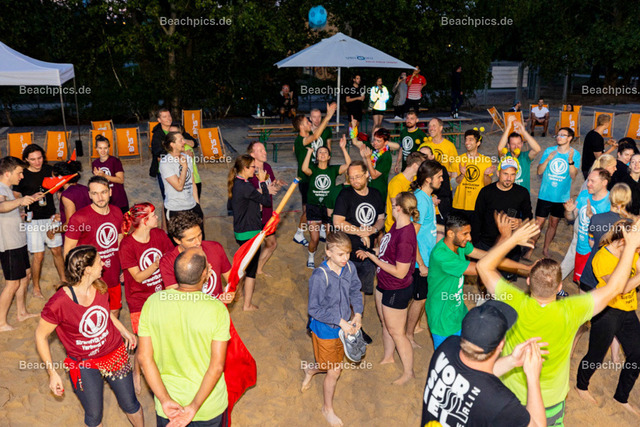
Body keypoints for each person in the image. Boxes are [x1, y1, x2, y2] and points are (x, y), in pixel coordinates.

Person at [476, 219, 640, 425]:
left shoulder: (513, 300)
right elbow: (615, 288)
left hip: (509, 394)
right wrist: (631, 247)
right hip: (550, 401)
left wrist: (512, 238)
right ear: (560, 286)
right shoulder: (573, 310)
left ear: (528, 281)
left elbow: (483, 266)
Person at [35, 245, 143, 427]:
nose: (104, 264)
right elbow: (40, 335)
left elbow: (104, 312)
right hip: (84, 362)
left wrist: (123, 330)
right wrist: (52, 373)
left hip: (114, 354)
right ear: (87, 270)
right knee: (94, 415)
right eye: (99, 262)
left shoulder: (99, 285)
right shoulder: (58, 303)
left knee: (130, 404)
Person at [138, 247, 230, 426]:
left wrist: (164, 400)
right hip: (208, 406)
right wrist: (194, 407)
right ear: (204, 274)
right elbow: (217, 366)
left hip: (169, 407)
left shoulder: (152, 303)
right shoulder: (217, 309)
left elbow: (143, 358)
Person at [421, 301, 546, 427]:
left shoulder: (447, 347)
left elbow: (475, 380)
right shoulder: (501, 402)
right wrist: (533, 377)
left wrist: (512, 360)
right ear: (501, 345)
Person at [426, 214, 529, 349]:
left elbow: (489, 257)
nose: (469, 238)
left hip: (458, 311)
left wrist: (527, 268)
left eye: (469, 233)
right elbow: (484, 267)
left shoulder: (460, 246)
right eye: (465, 234)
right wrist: (505, 239)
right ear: (450, 234)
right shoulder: (441, 256)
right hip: (442, 318)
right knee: (445, 355)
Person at [575, 219, 640, 416]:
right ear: (623, 241)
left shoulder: (633, 251)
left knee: (637, 354)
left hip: (627, 310)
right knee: (595, 355)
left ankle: (621, 397)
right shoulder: (602, 257)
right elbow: (621, 288)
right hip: (606, 311)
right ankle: (581, 386)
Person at [301, 231, 363, 427]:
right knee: (335, 370)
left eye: (348, 253)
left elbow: (355, 290)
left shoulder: (349, 267)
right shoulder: (320, 276)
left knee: (329, 364)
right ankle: (327, 409)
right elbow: (314, 309)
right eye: (340, 254)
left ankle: (310, 369)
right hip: (325, 329)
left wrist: (358, 313)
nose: (345, 258)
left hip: (343, 326)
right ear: (328, 252)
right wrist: (339, 321)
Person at [356, 192, 418, 385]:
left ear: (398, 208)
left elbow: (400, 272)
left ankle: (408, 372)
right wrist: (370, 251)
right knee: (386, 324)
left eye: (392, 203)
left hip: (396, 288)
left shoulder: (406, 235)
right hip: (384, 283)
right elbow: (386, 252)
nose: (390, 206)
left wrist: (373, 259)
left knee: (397, 331)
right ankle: (389, 357)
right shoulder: (396, 225)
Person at [119, 203, 173, 393]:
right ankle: (136, 372)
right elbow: (138, 277)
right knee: (143, 341)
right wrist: (156, 264)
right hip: (139, 300)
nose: (157, 217)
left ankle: (160, 370)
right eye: (153, 215)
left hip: (162, 294)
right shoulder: (127, 245)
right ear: (144, 221)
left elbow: (172, 256)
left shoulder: (159, 235)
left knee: (163, 336)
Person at [64, 176, 124, 316]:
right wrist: (74, 277)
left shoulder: (117, 212)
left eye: (103, 192)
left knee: (115, 310)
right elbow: (68, 251)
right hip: (90, 278)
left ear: (110, 192)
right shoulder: (78, 218)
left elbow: (120, 242)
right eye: (95, 193)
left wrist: (123, 268)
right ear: (89, 195)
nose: (100, 197)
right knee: (94, 314)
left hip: (113, 274)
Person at [14, 144, 64, 298]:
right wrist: (26, 203)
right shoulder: (22, 174)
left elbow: (59, 192)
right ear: (26, 160)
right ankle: (36, 287)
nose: (37, 162)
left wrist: (62, 212)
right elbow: (15, 196)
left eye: (40, 158)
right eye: (33, 159)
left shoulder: (50, 170)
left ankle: (64, 280)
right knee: (38, 256)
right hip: (32, 220)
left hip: (50, 217)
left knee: (57, 251)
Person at [333, 161, 385, 300]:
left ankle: (357, 314)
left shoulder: (376, 194)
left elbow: (381, 219)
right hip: (347, 254)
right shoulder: (345, 195)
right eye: (351, 178)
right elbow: (337, 222)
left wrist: (373, 230)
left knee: (360, 293)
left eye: (358, 176)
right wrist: (360, 232)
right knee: (344, 292)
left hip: (368, 254)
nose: (354, 181)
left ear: (367, 174)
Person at [228, 155, 273, 311]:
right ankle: (247, 305)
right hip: (250, 233)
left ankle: (238, 292)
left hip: (241, 231)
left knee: (245, 264)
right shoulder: (245, 186)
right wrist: (263, 182)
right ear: (245, 168)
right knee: (250, 271)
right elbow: (266, 201)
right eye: (253, 167)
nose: (255, 169)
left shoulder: (238, 183)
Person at [527, 127, 580, 259]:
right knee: (538, 224)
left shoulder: (575, 154)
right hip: (545, 195)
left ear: (570, 138)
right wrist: (547, 160)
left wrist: (570, 161)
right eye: (558, 135)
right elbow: (539, 171)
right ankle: (530, 249)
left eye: (563, 135)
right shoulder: (549, 151)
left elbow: (573, 175)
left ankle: (545, 249)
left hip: (561, 197)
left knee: (553, 223)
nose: (559, 137)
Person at [0, 156, 39, 331]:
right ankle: (1, 322)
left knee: (25, 276)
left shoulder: (7, 189)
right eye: (19, 173)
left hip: (18, 240)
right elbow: (1, 206)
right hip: (8, 243)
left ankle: (21, 313)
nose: (22, 176)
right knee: (12, 283)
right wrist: (20, 201)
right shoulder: (0, 188)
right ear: (7, 173)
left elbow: (8, 209)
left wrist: (20, 212)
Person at [292, 102, 337, 247]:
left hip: (312, 177)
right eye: (307, 122)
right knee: (308, 210)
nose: (310, 123)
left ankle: (318, 229)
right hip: (305, 179)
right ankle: (299, 233)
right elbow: (317, 135)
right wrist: (328, 116)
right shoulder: (302, 140)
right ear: (301, 126)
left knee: (317, 204)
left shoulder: (306, 137)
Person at [302, 137, 351, 268]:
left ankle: (328, 257)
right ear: (317, 156)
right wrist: (309, 152)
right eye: (320, 152)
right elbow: (304, 168)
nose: (323, 154)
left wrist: (343, 148)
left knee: (330, 237)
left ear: (329, 157)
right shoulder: (313, 169)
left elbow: (348, 165)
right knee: (315, 238)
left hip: (329, 208)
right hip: (313, 207)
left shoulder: (333, 170)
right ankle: (311, 256)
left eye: (325, 152)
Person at [474, 157, 533, 261]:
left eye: (512, 174)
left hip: (510, 246)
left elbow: (529, 217)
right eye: (505, 174)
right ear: (498, 173)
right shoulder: (486, 192)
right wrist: (475, 243)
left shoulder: (522, 193)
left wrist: (520, 222)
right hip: (486, 244)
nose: (509, 178)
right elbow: (477, 218)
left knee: (508, 271)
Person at [580, 183, 634, 292]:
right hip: (611, 274)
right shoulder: (630, 225)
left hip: (590, 273)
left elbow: (591, 243)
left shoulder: (596, 219)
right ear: (628, 200)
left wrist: (592, 218)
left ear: (610, 197)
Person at [563, 168, 611, 282]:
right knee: (580, 282)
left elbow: (609, 234)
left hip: (596, 251)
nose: (588, 184)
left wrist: (592, 218)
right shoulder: (584, 194)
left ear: (604, 183)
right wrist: (569, 211)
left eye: (592, 181)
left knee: (589, 284)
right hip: (581, 248)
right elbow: (571, 218)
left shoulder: (610, 202)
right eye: (588, 180)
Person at [247, 141, 285, 275]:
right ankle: (247, 272)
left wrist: (277, 185)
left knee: (272, 244)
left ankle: (258, 269)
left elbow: (272, 188)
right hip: (254, 215)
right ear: (252, 154)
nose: (265, 152)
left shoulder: (267, 167)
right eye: (261, 150)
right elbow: (246, 193)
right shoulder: (249, 170)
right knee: (252, 247)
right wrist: (264, 189)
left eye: (264, 149)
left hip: (267, 213)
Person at [451, 128, 495, 240]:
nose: (467, 142)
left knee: (475, 237)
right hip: (459, 205)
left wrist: (486, 175)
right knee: (458, 238)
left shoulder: (486, 161)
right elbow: (452, 184)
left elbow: (487, 185)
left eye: (470, 140)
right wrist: (462, 175)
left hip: (477, 206)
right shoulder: (458, 160)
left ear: (478, 143)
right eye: (466, 139)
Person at [158, 132, 203, 232]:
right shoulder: (165, 163)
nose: (184, 142)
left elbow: (192, 183)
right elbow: (179, 187)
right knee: (179, 239)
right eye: (181, 140)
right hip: (175, 209)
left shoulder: (187, 158)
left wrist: (197, 205)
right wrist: (184, 167)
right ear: (172, 144)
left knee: (198, 236)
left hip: (192, 206)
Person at [150, 108, 196, 198]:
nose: (168, 118)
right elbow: (159, 153)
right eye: (164, 117)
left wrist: (183, 140)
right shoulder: (157, 135)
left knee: (183, 194)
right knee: (168, 197)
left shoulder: (177, 129)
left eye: (169, 116)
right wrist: (182, 152)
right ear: (159, 120)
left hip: (179, 166)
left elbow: (194, 143)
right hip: (164, 169)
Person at [496, 115, 542, 192]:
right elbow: (500, 148)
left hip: (522, 194)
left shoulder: (526, 157)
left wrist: (524, 132)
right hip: (507, 193)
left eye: (518, 143)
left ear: (522, 144)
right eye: (513, 144)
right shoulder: (505, 156)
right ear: (508, 145)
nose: (516, 146)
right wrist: (508, 127)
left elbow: (537, 149)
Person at [351, 127, 398, 201]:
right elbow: (354, 142)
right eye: (375, 140)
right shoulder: (375, 149)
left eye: (378, 141)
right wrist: (353, 127)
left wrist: (367, 158)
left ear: (385, 142)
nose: (375, 142)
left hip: (378, 191)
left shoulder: (386, 156)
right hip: (370, 187)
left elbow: (374, 175)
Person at [48, 160, 90, 239]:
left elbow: (69, 225)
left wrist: (53, 231)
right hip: (88, 233)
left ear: (60, 177)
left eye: (53, 177)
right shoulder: (85, 188)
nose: (52, 180)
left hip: (75, 238)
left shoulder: (67, 195)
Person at [385, 152, 426, 232]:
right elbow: (396, 206)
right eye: (422, 166)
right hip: (394, 228)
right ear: (415, 165)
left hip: (408, 226)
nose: (423, 169)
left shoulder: (416, 179)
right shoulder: (396, 182)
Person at [92, 134, 130, 214]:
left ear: (109, 148)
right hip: (105, 200)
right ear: (96, 148)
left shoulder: (115, 161)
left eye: (105, 148)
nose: (103, 151)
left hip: (119, 199)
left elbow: (121, 180)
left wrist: (105, 176)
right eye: (100, 148)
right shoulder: (95, 163)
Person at [418, 144, 452, 225]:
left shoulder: (441, 169)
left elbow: (446, 191)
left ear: (432, 156)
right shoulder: (417, 171)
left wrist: (433, 196)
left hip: (440, 211)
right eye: (420, 156)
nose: (423, 158)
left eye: (425, 156)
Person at [169, 123, 201, 199]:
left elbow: (193, 146)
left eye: (174, 132)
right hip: (177, 182)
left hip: (192, 181)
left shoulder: (186, 146)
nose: (171, 135)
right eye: (170, 132)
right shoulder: (169, 146)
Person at [582, 113, 617, 179]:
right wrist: (612, 148)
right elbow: (599, 157)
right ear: (606, 123)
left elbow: (596, 148)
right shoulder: (597, 137)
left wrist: (607, 144)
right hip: (591, 168)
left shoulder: (592, 133)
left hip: (587, 167)